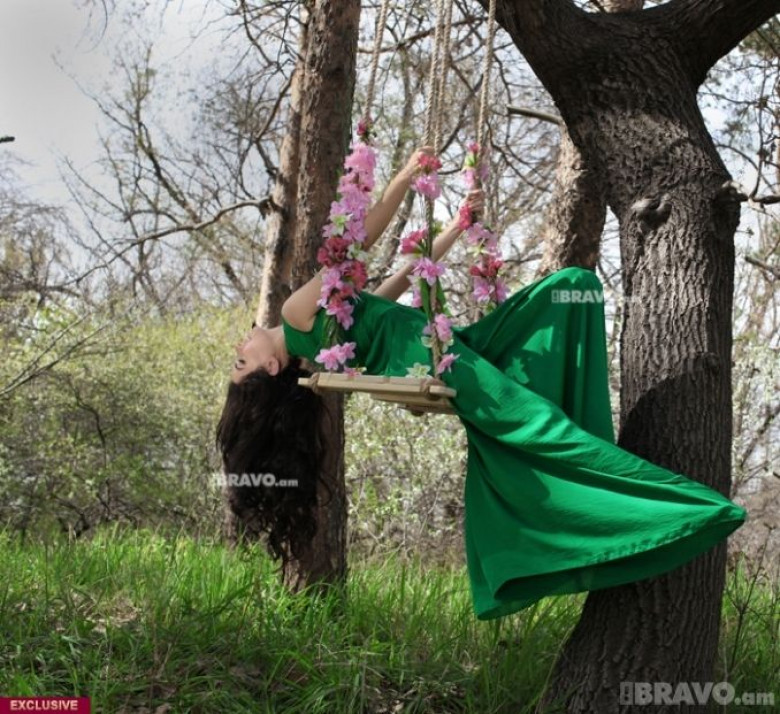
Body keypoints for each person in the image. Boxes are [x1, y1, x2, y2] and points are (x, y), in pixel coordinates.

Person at [216, 148, 747, 620]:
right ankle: (682, 510)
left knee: (573, 286)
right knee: (539, 428)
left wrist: (453, 229)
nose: (240, 346)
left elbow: (393, 288)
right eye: (241, 362)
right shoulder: (297, 316)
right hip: (438, 360)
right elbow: (355, 246)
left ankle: (590, 484)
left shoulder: (320, 340)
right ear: (270, 369)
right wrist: (403, 178)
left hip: (453, 345)